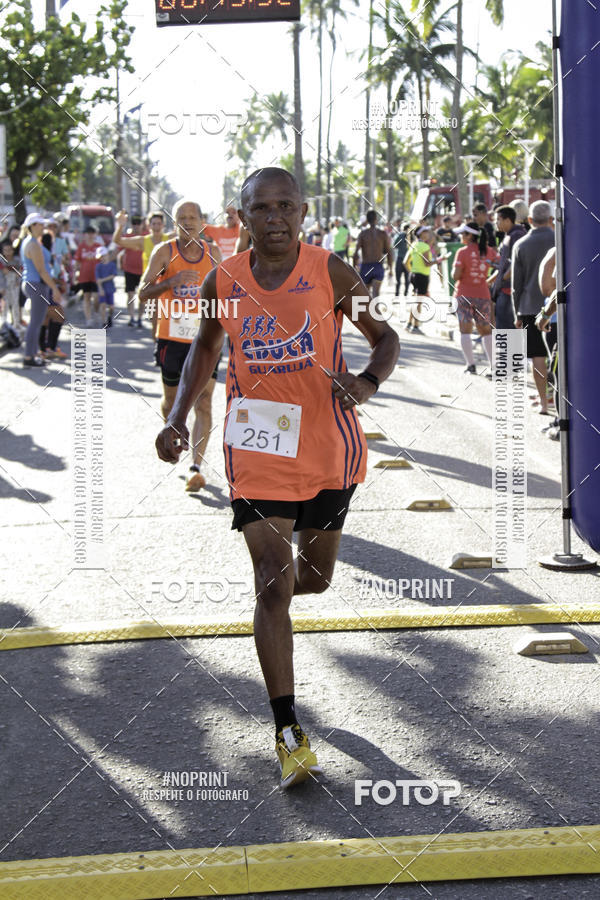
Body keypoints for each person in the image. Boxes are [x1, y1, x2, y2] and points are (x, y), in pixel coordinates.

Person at [155, 167, 400, 788]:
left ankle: (293, 601)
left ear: (302, 211)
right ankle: (288, 729)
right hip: (258, 443)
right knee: (272, 580)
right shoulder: (224, 279)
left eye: (285, 206)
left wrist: (368, 381)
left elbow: (384, 335)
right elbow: (204, 351)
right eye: (260, 207)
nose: (274, 217)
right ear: (241, 216)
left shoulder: (329, 270)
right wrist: (178, 416)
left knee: (311, 580)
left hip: (326, 444)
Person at [140, 200, 222, 492]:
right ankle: (173, 434)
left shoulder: (213, 253)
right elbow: (142, 293)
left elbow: (227, 293)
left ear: (202, 222)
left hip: (205, 339)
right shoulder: (165, 252)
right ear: (174, 223)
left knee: (204, 400)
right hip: (171, 339)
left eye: (192, 217)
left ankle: (195, 466)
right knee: (173, 400)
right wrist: (169, 282)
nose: (187, 222)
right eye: (181, 218)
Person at [512, 200, 555, 415]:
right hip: (558, 306)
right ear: (551, 219)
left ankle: (544, 403)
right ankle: (559, 399)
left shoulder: (520, 244)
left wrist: (516, 312)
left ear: (529, 220)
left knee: (537, 356)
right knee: (559, 355)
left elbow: (515, 285)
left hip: (530, 308)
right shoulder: (561, 239)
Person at [453, 222, 499, 375]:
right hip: (483, 295)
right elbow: (502, 266)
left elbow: (456, 275)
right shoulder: (490, 252)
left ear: (470, 236)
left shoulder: (462, 252)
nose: (461, 236)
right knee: (486, 331)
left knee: (465, 330)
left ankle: (470, 365)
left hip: (464, 294)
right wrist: (488, 280)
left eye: (463, 234)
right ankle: (494, 367)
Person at [20, 213, 63, 367]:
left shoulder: (30, 242)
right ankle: (28, 357)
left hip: (33, 284)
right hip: (36, 284)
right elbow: (42, 270)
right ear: (32, 226)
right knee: (35, 323)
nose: (43, 227)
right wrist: (54, 289)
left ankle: (31, 355)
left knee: (36, 322)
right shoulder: (32, 244)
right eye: (40, 224)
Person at [491, 205, 527, 329]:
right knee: (504, 333)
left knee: (508, 335)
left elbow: (516, 263)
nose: (496, 223)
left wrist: (504, 279)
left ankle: (509, 350)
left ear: (507, 220)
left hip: (509, 292)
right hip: (504, 292)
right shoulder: (508, 235)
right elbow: (504, 265)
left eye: (498, 219)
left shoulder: (517, 235)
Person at [353, 209, 394, 299]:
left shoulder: (363, 234)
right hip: (378, 266)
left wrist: (354, 268)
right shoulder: (382, 234)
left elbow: (355, 254)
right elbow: (389, 253)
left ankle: (368, 312)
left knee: (365, 297)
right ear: (376, 219)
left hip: (366, 267)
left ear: (367, 220)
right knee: (376, 295)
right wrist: (391, 269)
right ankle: (375, 312)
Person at [406, 225, 434, 334]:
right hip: (422, 276)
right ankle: (415, 326)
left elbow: (405, 262)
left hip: (414, 275)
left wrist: (412, 271)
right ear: (421, 234)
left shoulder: (413, 244)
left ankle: (409, 323)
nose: (428, 233)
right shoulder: (424, 246)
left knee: (417, 300)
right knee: (419, 302)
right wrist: (440, 260)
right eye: (426, 231)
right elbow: (427, 264)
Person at [74, 225, 102, 327]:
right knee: (86, 297)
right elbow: (77, 261)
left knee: (96, 297)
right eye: (88, 233)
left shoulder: (98, 246)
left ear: (95, 234)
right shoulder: (82, 246)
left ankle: (96, 312)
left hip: (96, 276)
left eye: (92, 233)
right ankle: (88, 318)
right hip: (84, 275)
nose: (90, 235)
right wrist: (75, 275)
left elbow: (103, 261)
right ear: (85, 235)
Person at [120, 214, 145, 327]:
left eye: (138, 223)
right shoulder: (127, 237)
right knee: (130, 295)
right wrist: (108, 258)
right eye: (134, 223)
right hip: (129, 270)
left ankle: (140, 318)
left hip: (144, 271)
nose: (136, 225)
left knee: (142, 296)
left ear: (142, 224)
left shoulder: (147, 236)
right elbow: (117, 248)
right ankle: (131, 318)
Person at [0, 240, 22, 332]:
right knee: (4, 306)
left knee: (15, 304)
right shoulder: (1, 261)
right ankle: (3, 324)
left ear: (13, 250)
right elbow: (2, 274)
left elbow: (21, 271)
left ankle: (16, 324)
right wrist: (2, 287)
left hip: (15, 285)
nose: (8, 252)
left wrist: (18, 279)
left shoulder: (17, 260)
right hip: (5, 285)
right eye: (5, 250)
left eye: (10, 250)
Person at [95, 245, 118, 328]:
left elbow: (113, 275)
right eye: (101, 257)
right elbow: (98, 279)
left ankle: (109, 317)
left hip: (110, 288)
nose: (102, 258)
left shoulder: (112, 265)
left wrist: (103, 280)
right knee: (103, 305)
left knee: (111, 307)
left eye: (104, 256)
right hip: (102, 289)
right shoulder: (98, 266)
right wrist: (100, 289)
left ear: (107, 255)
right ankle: (104, 322)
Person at [393, 222, 410, 297]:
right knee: (407, 278)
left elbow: (394, 245)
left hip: (400, 259)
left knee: (398, 279)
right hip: (408, 260)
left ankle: (397, 294)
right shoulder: (412, 236)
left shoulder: (400, 235)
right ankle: (406, 293)